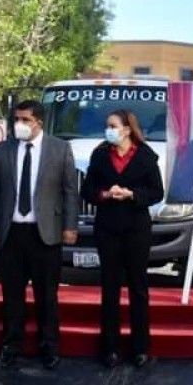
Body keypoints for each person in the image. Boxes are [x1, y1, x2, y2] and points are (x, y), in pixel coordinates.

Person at [0, 99, 78, 370]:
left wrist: (70, 226)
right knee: (12, 295)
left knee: (46, 295)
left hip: (44, 234)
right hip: (10, 233)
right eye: (16, 120)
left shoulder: (60, 149)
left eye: (24, 120)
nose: (19, 125)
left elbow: (70, 191)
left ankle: (50, 347)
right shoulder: (2, 151)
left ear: (39, 122)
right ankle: (11, 345)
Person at [81, 109, 164, 369]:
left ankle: (140, 347)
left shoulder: (146, 156)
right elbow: (88, 190)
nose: (109, 130)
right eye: (108, 126)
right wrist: (104, 195)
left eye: (113, 125)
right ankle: (110, 348)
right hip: (107, 228)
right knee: (110, 288)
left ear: (127, 129)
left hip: (136, 229)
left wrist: (131, 194)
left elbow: (156, 192)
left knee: (138, 288)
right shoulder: (99, 154)